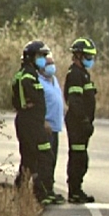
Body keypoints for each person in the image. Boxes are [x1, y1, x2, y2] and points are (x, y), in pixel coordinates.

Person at [12, 40, 61, 205]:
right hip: (30, 123)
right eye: (40, 56)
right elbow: (20, 100)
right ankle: (42, 192)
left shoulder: (32, 74)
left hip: (35, 122)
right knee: (44, 155)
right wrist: (27, 106)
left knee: (30, 159)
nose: (43, 59)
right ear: (30, 57)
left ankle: (22, 192)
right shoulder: (26, 75)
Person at [64, 37, 98, 203]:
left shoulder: (83, 74)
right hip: (77, 124)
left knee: (81, 157)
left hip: (83, 124)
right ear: (77, 55)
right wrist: (84, 121)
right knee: (78, 158)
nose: (90, 60)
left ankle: (77, 190)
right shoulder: (75, 75)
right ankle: (74, 191)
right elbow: (74, 101)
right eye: (87, 57)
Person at [37, 51, 65, 199]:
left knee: (52, 160)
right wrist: (43, 120)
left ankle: (49, 189)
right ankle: (42, 190)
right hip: (45, 127)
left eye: (52, 63)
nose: (51, 66)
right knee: (45, 160)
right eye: (48, 64)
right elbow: (36, 105)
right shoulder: (38, 81)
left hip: (55, 127)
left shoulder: (53, 80)